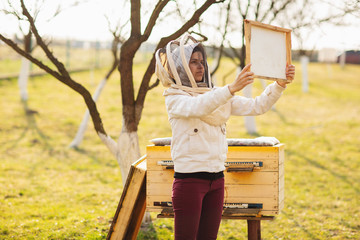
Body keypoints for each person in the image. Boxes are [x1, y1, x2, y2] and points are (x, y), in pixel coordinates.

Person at [155, 33, 295, 240]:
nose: (200, 66)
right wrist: (231, 89)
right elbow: (199, 107)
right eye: (193, 62)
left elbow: (257, 106)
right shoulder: (175, 98)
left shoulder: (217, 94)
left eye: (201, 61)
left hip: (217, 181)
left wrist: (279, 85)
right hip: (190, 183)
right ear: (181, 67)